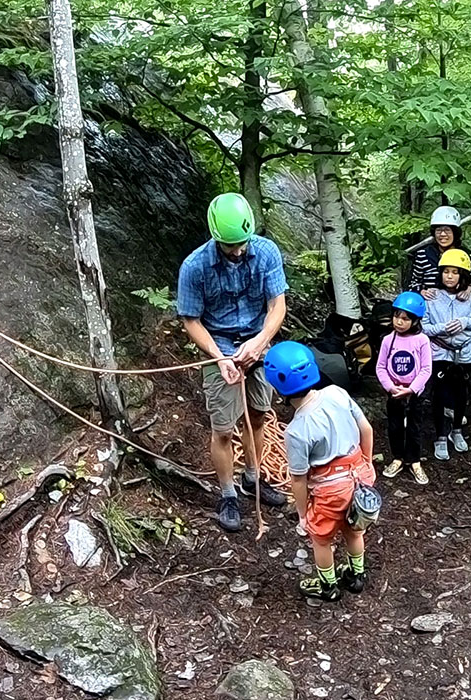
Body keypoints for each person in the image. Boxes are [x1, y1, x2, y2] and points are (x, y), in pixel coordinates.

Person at [177, 192, 289, 532]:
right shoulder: (195, 267)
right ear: (215, 237)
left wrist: (260, 342)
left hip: (258, 343)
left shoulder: (266, 252)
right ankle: (227, 494)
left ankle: (252, 477)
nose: (238, 251)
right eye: (230, 246)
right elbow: (191, 319)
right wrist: (219, 356)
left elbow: (277, 305)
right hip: (220, 347)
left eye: (242, 242)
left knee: (257, 415)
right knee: (223, 428)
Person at [264, 341, 380, 601]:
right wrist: (368, 463)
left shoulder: (296, 430)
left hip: (330, 489)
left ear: (278, 386)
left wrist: (304, 515)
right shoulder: (337, 393)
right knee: (354, 529)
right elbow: (367, 430)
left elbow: (298, 477)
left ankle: (328, 586)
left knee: (321, 539)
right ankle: (356, 575)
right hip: (359, 474)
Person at [423, 249, 471, 462]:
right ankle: (440, 436)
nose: (449, 276)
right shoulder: (431, 298)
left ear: (462, 275)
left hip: (465, 354)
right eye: (446, 272)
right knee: (439, 395)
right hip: (439, 353)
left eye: (455, 272)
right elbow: (423, 327)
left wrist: (465, 322)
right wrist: (442, 329)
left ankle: (456, 430)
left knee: (461, 395)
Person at [377, 292, 433, 484]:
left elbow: (426, 369)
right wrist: (391, 387)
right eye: (396, 317)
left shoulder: (422, 340)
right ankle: (398, 457)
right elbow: (381, 367)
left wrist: (412, 389)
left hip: (414, 392)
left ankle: (414, 460)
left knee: (415, 427)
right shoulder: (387, 340)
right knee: (395, 426)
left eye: (405, 318)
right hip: (394, 392)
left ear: (415, 321)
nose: (399, 322)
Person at [407, 205, 471, 299]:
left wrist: (468, 290)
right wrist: (422, 291)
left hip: (459, 307)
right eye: (439, 230)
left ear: (455, 233)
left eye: (447, 230)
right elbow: (413, 284)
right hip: (429, 307)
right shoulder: (423, 255)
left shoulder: (466, 256)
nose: (443, 234)